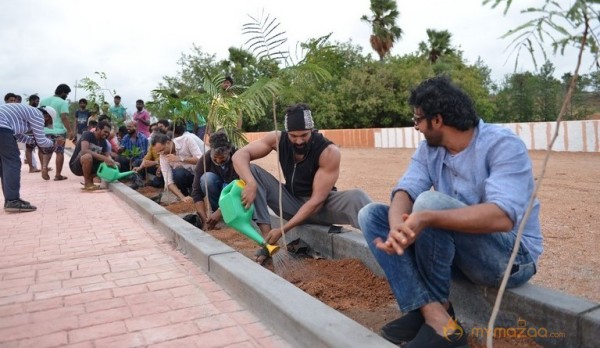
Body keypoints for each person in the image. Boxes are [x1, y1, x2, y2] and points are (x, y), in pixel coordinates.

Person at [357, 76, 543, 348]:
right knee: (371, 215)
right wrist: (397, 226)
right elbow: (405, 191)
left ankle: (439, 320)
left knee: (429, 205)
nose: (417, 127)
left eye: (418, 120)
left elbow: (502, 217)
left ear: (438, 120)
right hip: (460, 254)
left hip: (510, 258)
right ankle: (434, 313)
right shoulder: (430, 150)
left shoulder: (501, 144)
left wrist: (428, 217)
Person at [231, 103, 372, 262]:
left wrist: (283, 230)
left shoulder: (328, 151)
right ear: (286, 132)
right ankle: (267, 244)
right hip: (291, 202)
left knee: (357, 197)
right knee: (253, 172)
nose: (299, 141)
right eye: (293, 136)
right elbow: (239, 155)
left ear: (312, 130)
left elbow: (316, 202)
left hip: (320, 207)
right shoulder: (278, 139)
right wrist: (251, 183)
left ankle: (389, 246)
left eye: (304, 135)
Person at [0, 103, 54, 212]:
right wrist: (54, 143)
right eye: (48, 123)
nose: (45, 125)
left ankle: (10, 199)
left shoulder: (26, 114)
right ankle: (12, 201)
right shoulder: (38, 115)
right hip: (2, 127)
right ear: (47, 116)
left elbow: (17, 134)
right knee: (12, 162)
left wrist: (32, 141)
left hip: (4, 127)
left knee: (4, 164)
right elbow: (42, 141)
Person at [191, 131, 239, 230]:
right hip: (218, 193)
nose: (218, 161)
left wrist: (221, 210)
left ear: (229, 151)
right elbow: (196, 192)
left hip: (234, 194)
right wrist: (204, 220)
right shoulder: (205, 159)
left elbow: (240, 186)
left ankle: (228, 211)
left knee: (232, 185)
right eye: (215, 158)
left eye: (222, 158)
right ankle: (219, 210)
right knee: (206, 179)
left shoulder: (238, 156)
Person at [152, 121, 205, 202]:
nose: (161, 153)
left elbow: (200, 160)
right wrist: (182, 197)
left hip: (201, 174)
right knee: (178, 174)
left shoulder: (186, 140)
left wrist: (180, 159)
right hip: (188, 177)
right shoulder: (162, 156)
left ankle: (199, 195)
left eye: (162, 150)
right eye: (159, 152)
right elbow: (169, 182)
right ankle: (187, 196)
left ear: (168, 142)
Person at [40, 84, 75, 181]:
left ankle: (44, 168)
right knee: (59, 152)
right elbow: (64, 117)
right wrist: (70, 130)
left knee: (47, 151)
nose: (67, 96)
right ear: (63, 92)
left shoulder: (43, 101)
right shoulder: (62, 102)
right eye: (67, 94)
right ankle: (58, 175)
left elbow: (40, 115)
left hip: (46, 130)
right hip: (59, 131)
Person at [68, 120, 115, 191]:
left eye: (108, 133)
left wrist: (112, 162)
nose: (107, 134)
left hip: (91, 165)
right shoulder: (87, 134)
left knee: (112, 163)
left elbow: (107, 156)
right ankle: (87, 183)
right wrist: (104, 158)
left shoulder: (104, 142)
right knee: (88, 156)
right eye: (105, 131)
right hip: (76, 165)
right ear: (98, 129)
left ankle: (91, 179)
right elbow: (84, 150)